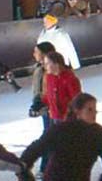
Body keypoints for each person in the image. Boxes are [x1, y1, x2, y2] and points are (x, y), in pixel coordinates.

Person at [21, 93, 102, 181]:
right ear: (77, 111)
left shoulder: (100, 134)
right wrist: (24, 171)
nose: (95, 113)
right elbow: (36, 148)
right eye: (90, 109)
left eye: (95, 110)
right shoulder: (60, 130)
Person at [28, 42, 56, 178]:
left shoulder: (48, 70)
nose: (34, 54)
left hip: (51, 109)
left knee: (48, 138)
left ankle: (45, 167)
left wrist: (38, 103)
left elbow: (44, 91)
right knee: (49, 136)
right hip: (45, 108)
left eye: (36, 52)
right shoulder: (39, 68)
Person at [41, 51, 82, 124]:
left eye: (47, 63)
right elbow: (48, 95)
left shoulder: (70, 79)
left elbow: (76, 99)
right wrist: (41, 103)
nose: (45, 67)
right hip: (54, 116)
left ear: (56, 64)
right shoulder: (49, 77)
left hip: (68, 118)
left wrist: (70, 114)